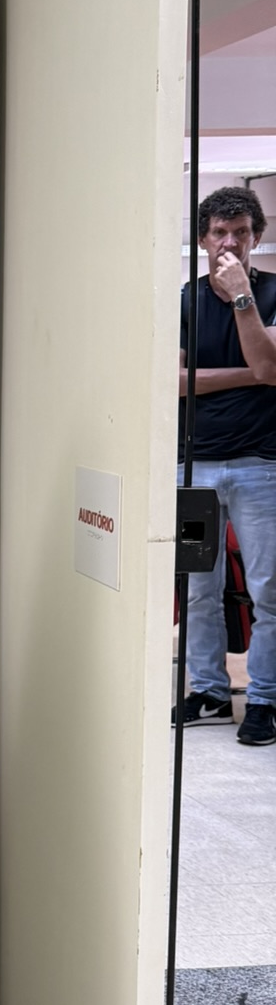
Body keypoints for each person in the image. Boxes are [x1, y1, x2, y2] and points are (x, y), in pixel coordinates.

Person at [175, 186, 276, 747]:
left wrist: (242, 297)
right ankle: (211, 692)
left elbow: (268, 363)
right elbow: (174, 382)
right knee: (197, 588)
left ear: (256, 237)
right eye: (219, 233)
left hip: (262, 467)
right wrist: (251, 375)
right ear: (203, 239)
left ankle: (263, 699)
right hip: (195, 469)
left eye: (240, 232)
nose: (229, 243)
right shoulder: (185, 300)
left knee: (269, 590)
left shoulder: (273, 293)